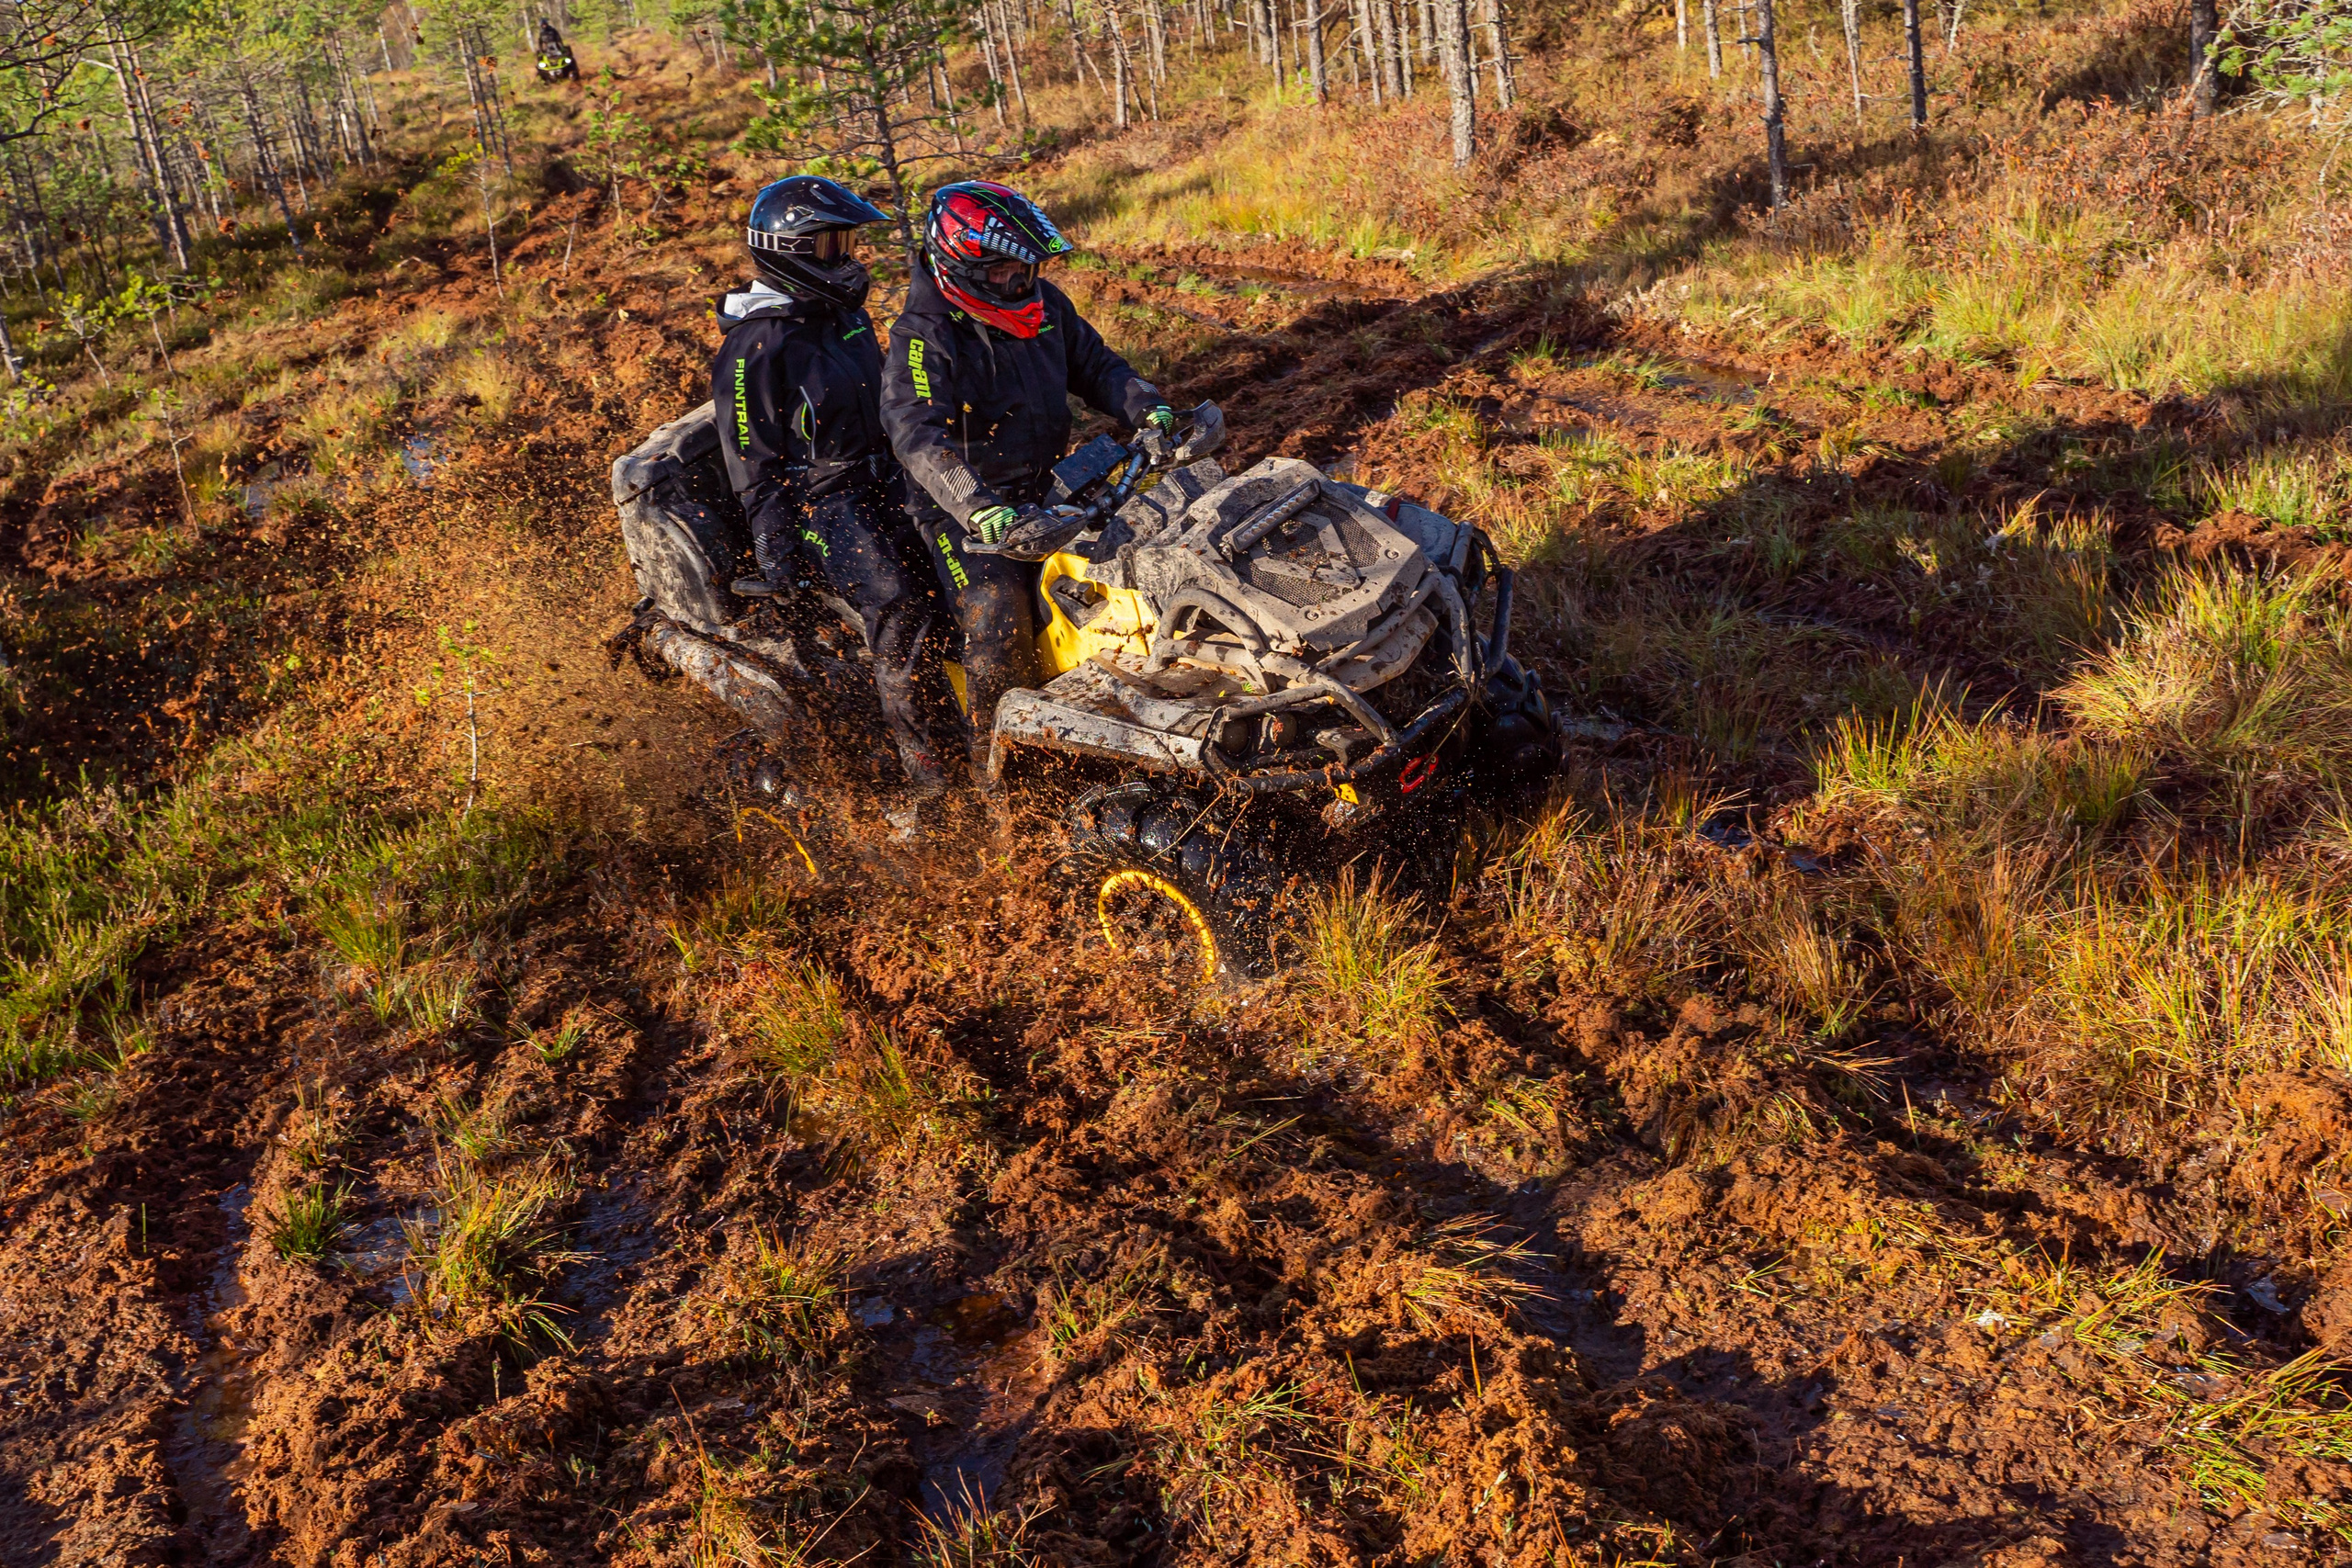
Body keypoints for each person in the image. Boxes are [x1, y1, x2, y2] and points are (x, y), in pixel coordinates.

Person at [881, 180, 1180, 784]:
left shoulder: (1046, 308)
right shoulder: (924, 335)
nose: (1023, 281)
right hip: (962, 517)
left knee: (1145, 557)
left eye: (1030, 267)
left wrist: (1148, 408)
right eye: (1008, 271)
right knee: (997, 619)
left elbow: (1097, 366)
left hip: (1045, 487)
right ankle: (1000, 781)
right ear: (962, 265)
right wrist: (979, 509)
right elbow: (914, 432)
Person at [713, 175, 947, 795]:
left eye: (844, 243)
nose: (843, 258)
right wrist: (778, 552)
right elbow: (750, 460)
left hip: (890, 472)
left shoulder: (841, 314)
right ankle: (929, 779)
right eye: (829, 246)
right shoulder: (755, 346)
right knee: (901, 606)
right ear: (788, 249)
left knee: (968, 558)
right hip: (824, 502)